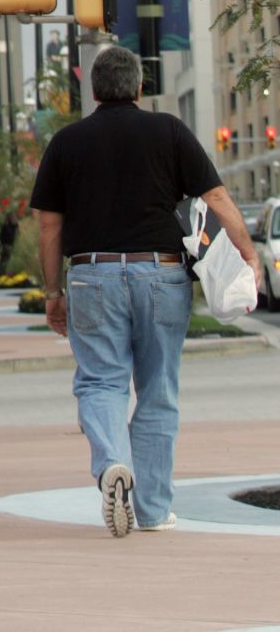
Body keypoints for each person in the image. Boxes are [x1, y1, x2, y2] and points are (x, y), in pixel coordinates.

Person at [31, 43, 261, 537]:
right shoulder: (169, 131)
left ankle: (113, 462)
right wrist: (247, 254)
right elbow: (216, 197)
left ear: (93, 91)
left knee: (100, 382)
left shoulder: (66, 142)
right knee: (158, 390)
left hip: (92, 276)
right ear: (140, 87)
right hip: (161, 273)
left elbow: (49, 228)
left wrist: (53, 293)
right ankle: (153, 510)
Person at [0, 211, 19, 278]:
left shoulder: (5, 226)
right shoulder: (16, 225)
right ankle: (10, 275)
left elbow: (0, 236)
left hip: (5, 245)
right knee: (9, 260)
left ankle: (1, 275)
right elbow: (17, 235)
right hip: (12, 245)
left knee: (3, 261)